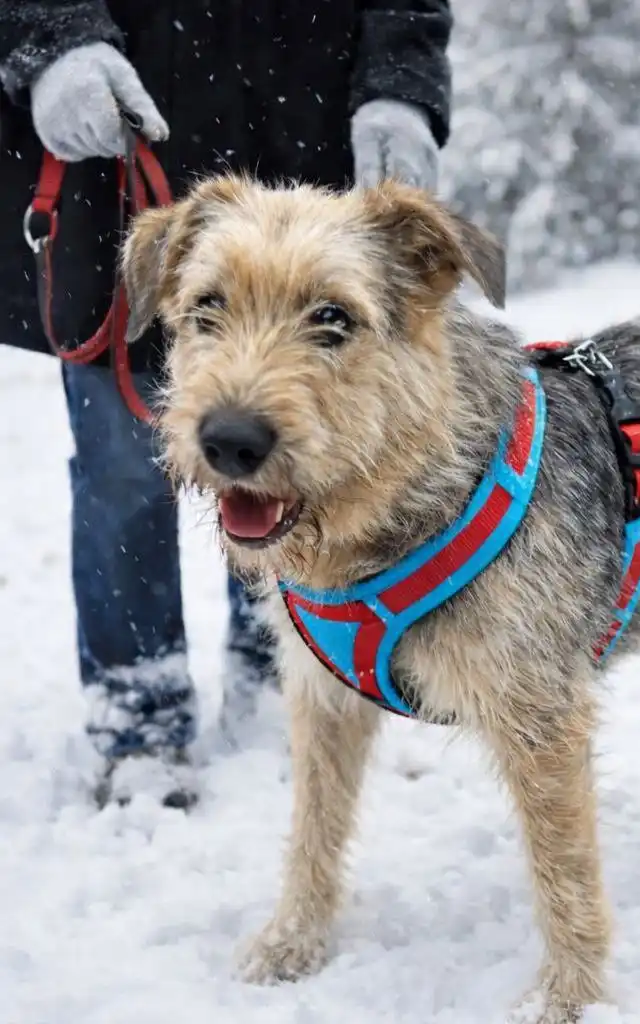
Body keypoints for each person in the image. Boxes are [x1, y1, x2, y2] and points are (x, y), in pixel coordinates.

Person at [0, 0, 452, 808]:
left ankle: (285, 669)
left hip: (311, 138)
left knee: (301, 456)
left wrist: (400, 83)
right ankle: (138, 709)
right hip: (119, 136)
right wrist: (52, 38)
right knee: (121, 469)